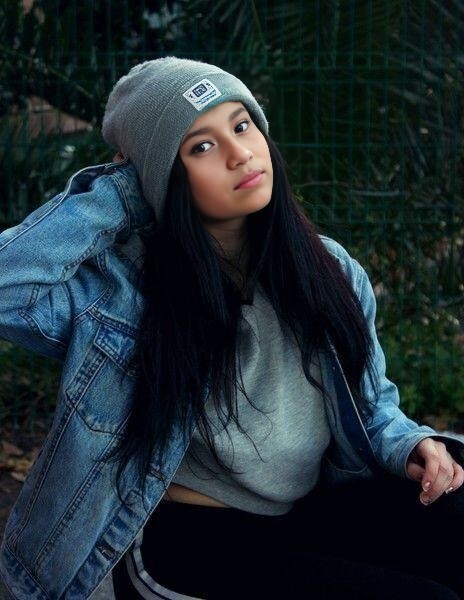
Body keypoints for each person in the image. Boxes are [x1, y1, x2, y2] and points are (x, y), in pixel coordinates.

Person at [0, 57, 463, 600]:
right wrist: (124, 189)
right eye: (201, 146)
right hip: (187, 540)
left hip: (302, 511)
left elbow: (372, 407)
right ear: (162, 176)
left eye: (241, 125)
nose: (239, 153)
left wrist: (411, 445)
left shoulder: (327, 270)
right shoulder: (122, 295)